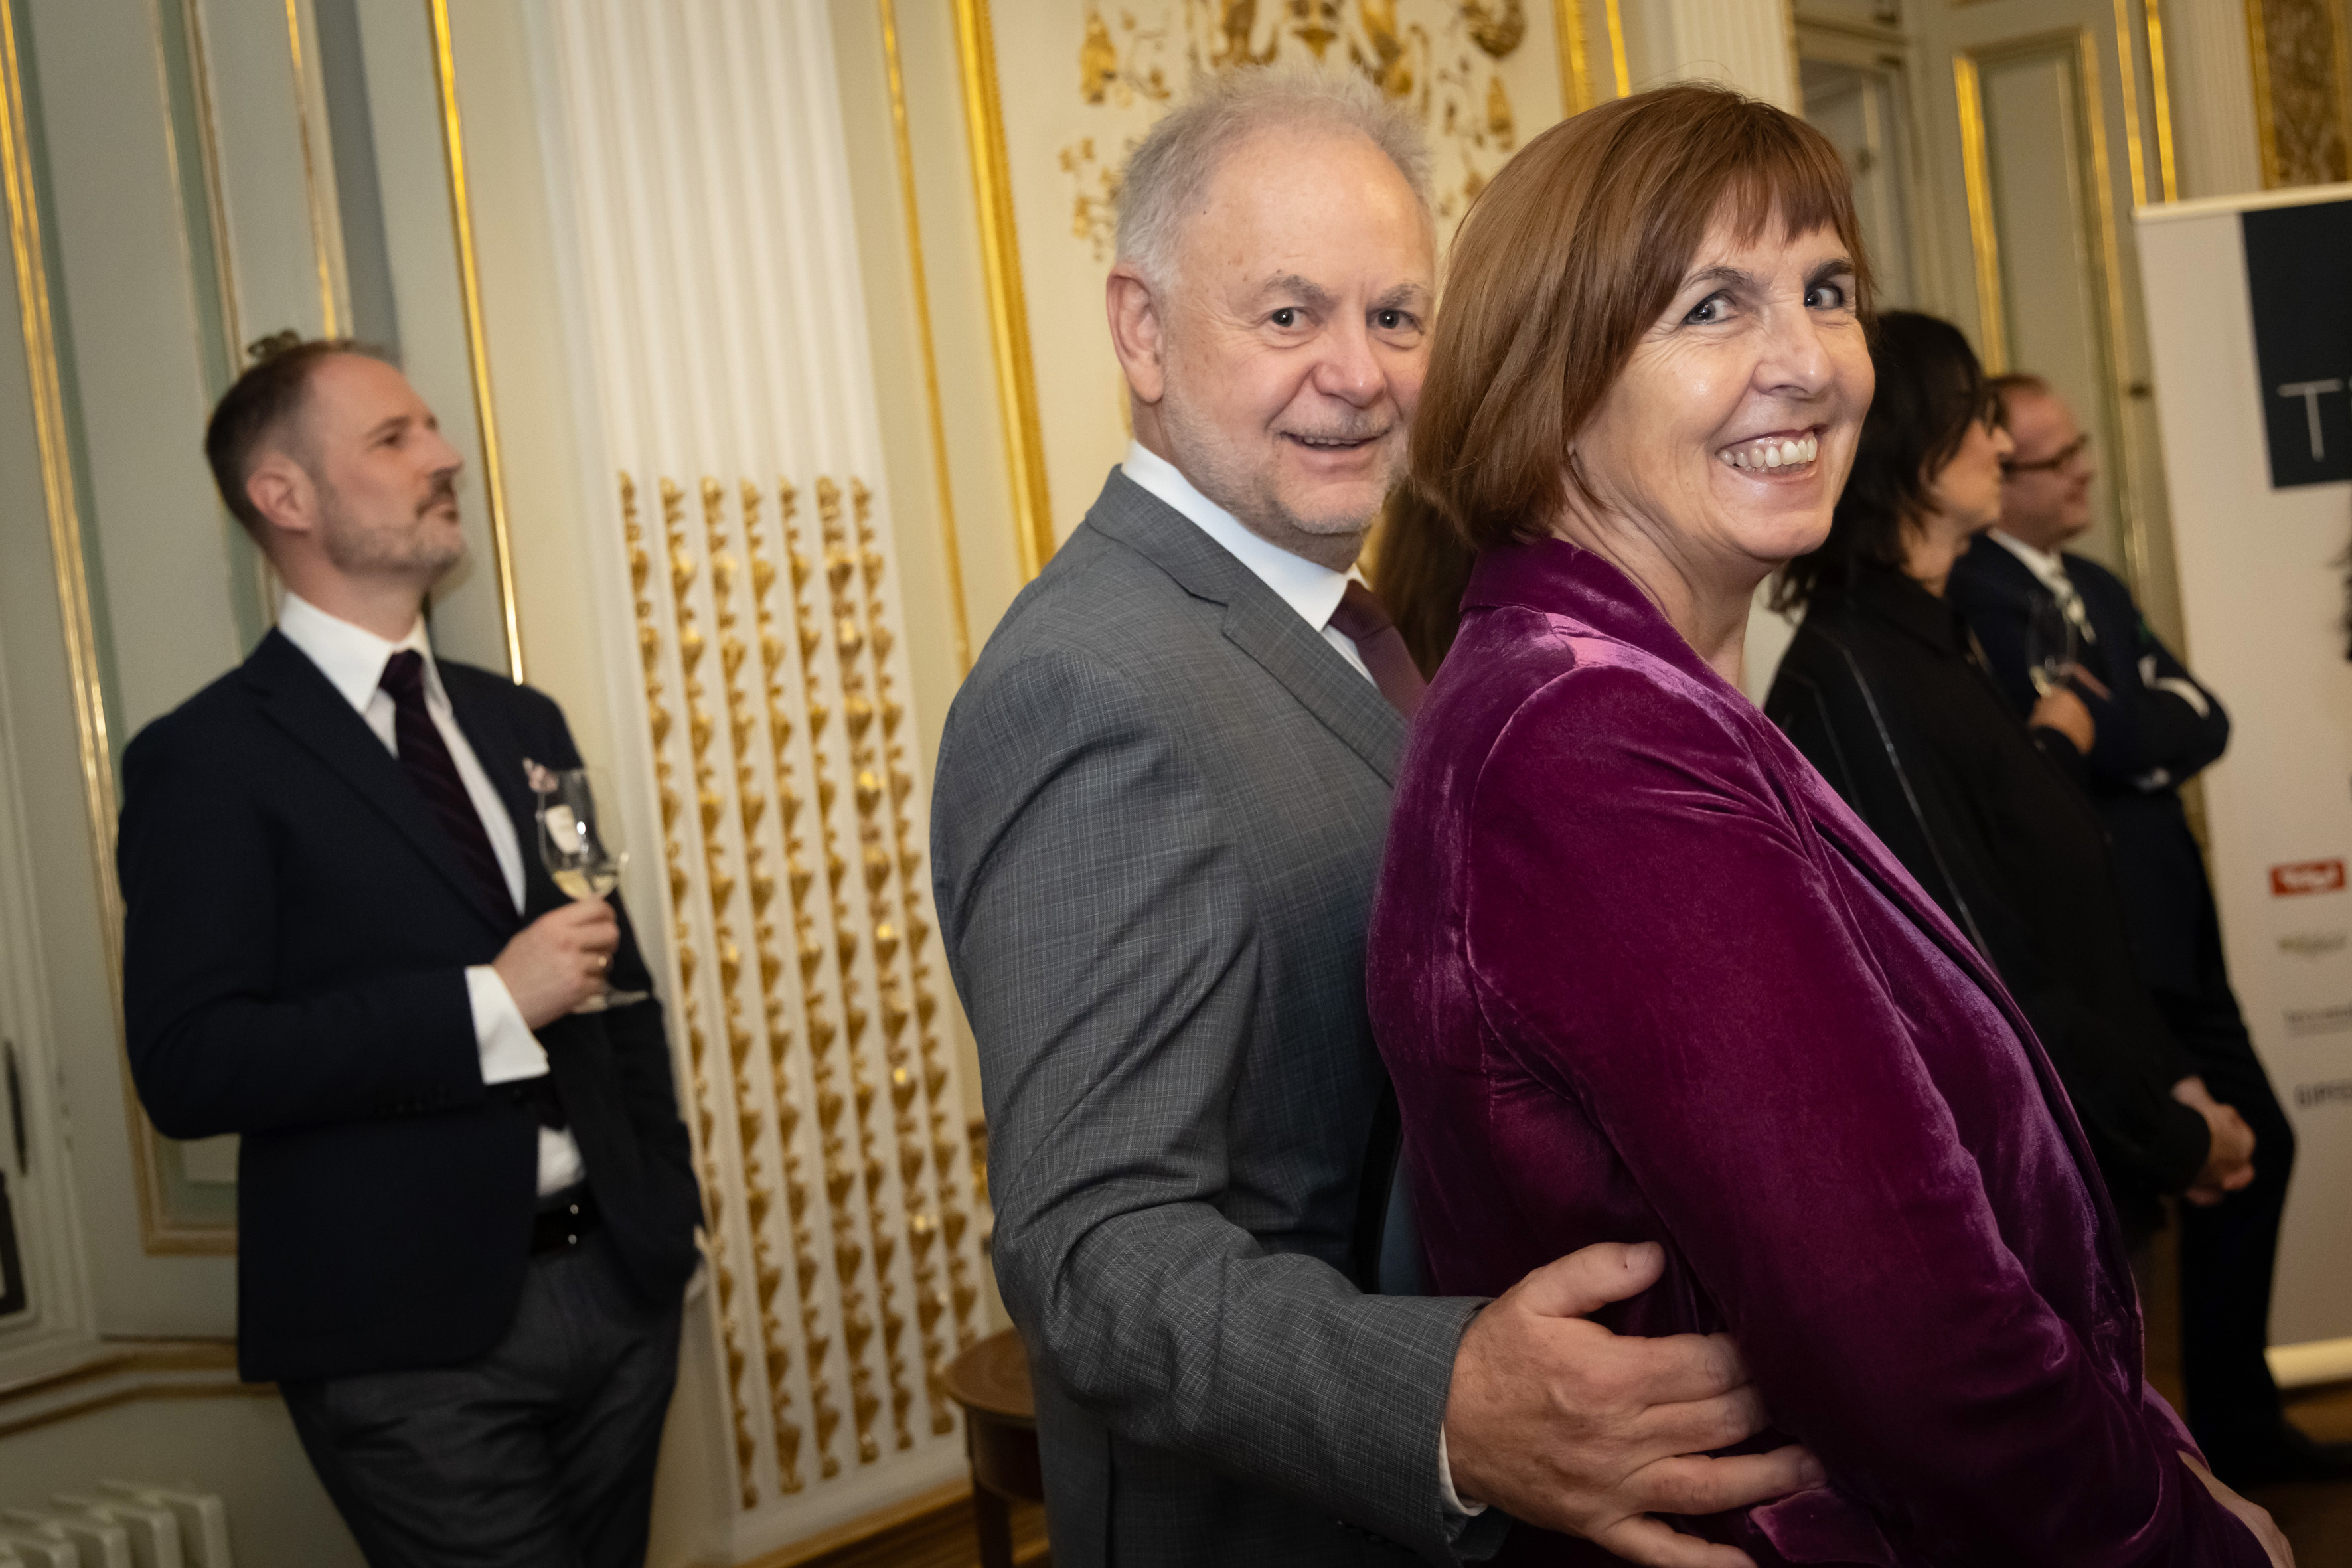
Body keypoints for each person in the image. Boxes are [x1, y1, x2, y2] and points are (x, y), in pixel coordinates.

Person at [1373, 84, 2288, 1563]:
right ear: (1552, 382)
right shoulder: (1587, 735)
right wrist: (2175, 1531)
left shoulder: (1617, 689)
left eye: (1826, 290)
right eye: (1712, 307)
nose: (1806, 362)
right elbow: (1904, 1324)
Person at [931, 69, 1814, 1568]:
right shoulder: (1092, 681)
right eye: (1289, 315)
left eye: (1397, 317)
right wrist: (1450, 1406)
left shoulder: (1343, 624)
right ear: (1141, 330)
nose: (1358, 375)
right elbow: (1093, 1253)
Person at [118, 341, 702, 1568]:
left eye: (431, 427)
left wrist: (668, 1220)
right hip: (405, 1338)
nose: (445, 457)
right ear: (283, 496)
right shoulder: (207, 759)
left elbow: (618, 981)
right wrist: (489, 1003)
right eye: (394, 438)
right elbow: (190, 1062)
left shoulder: (522, 720)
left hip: (620, 1288)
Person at [1764, 314, 2257, 1259]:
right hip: (2027, 1215)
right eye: (1977, 417)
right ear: (1911, 447)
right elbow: (1986, 978)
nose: (1999, 445)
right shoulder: (1860, 675)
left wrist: (2167, 1084)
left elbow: (2056, 909)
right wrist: (2174, 1138)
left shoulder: (1937, 642)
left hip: (2092, 1169)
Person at [1949, 376, 2348, 1486]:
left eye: (2082, 446)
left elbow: (2201, 717)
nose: (2086, 470)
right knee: (2142, 1197)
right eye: (2058, 457)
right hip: (2105, 950)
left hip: (2180, 927)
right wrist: (2126, 732)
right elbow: (2070, 755)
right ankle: (2162, 1462)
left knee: (2254, 1150)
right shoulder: (1975, 594)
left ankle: (2234, 1428)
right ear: (2002, 474)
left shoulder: (2092, 582)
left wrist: (2108, 726)